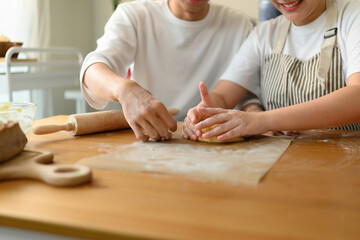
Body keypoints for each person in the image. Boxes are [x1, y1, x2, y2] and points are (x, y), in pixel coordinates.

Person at [183, 0, 360, 141]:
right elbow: (224, 96)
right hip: (279, 165)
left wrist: (263, 120)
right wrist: (203, 112)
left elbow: (357, 96)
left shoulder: (353, 16)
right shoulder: (264, 34)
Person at [80, 0, 254, 141]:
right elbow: (92, 70)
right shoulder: (134, 15)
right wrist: (125, 90)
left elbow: (247, 91)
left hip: (212, 140)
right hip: (152, 139)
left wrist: (254, 113)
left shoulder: (239, 24)